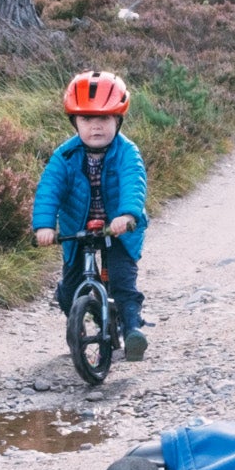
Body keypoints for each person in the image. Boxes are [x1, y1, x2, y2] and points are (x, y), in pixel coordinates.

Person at [32, 69, 150, 359]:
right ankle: (83, 318)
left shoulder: (126, 152)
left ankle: (133, 330)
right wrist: (44, 225)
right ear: (75, 122)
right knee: (71, 286)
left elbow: (133, 182)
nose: (95, 127)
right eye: (87, 119)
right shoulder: (66, 156)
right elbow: (49, 189)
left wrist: (127, 215)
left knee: (122, 280)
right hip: (77, 228)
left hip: (118, 229)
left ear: (118, 120)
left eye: (104, 118)